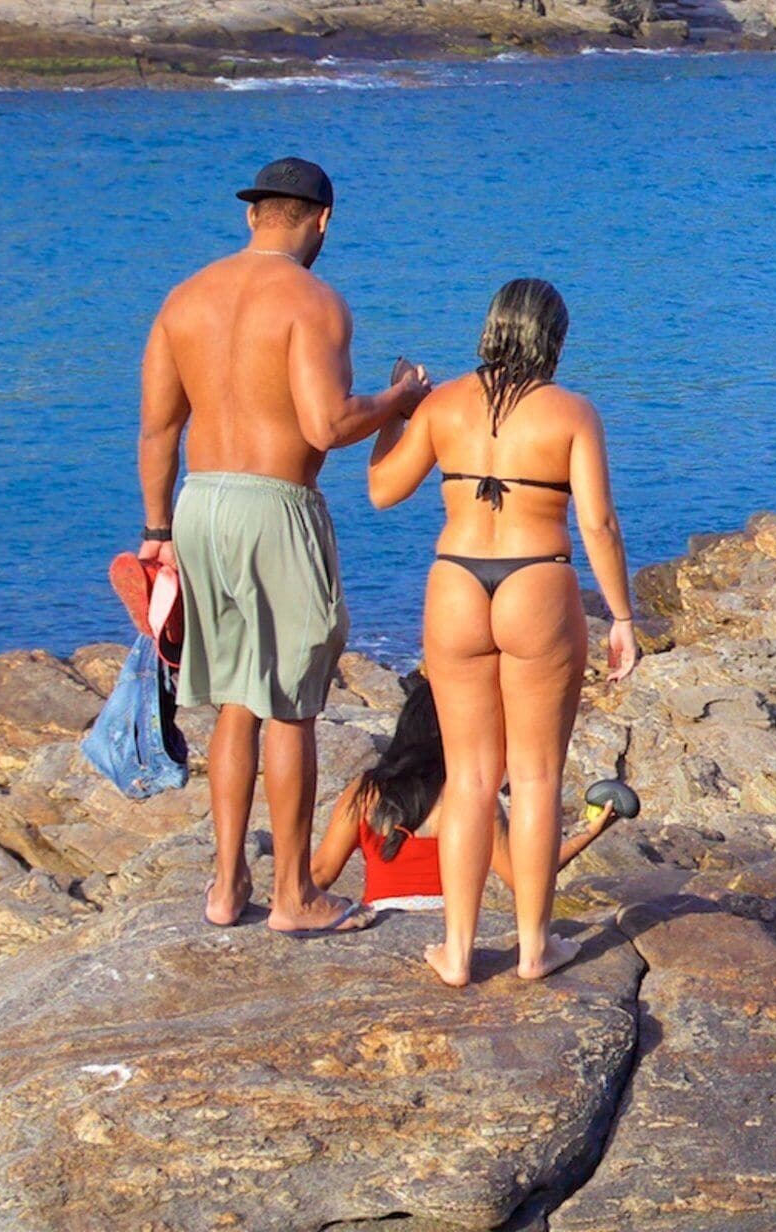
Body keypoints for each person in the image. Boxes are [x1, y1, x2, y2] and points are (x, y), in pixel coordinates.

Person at [137, 156, 428, 932]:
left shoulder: (184, 298)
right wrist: (399, 398)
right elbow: (326, 425)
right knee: (291, 705)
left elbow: (159, 430)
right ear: (322, 220)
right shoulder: (313, 301)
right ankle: (295, 896)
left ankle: (226, 886)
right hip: (275, 505)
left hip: (198, 505)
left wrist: (156, 532)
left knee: (238, 700)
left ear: (252, 215)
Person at [368, 277, 640, 987]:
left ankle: (457, 953)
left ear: (491, 328)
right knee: (539, 775)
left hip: (456, 581)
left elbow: (383, 490)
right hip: (536, 581)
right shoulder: (572, 412)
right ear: (554, 339)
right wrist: (622, 617)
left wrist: (396, 409)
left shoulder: (442, 405)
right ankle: (533, 949)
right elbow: (598, 524)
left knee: (469, 777)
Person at [306, 672, 622, 914]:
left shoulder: (366, 791)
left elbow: (320, 873)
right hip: (451, 925)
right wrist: (589, 832)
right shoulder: (471, 796)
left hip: (382, 920)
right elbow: (522, 879)